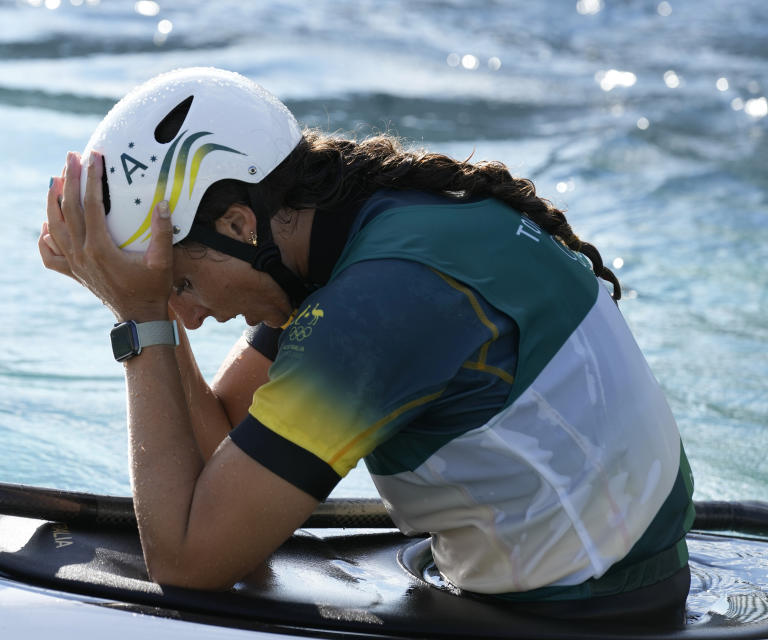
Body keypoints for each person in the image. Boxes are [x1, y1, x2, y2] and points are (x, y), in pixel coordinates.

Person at [38, 67, 694, 624]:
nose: (190, 315)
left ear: (241, 223)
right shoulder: (359, 228)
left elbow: (189, 560)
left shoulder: (379, 306)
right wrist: (144, 302)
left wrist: (141, 319)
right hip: (626, 578)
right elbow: (222, 445)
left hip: (583, 614)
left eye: (181, 280)